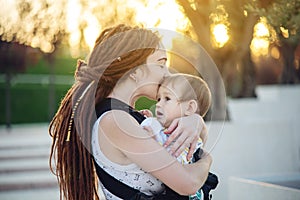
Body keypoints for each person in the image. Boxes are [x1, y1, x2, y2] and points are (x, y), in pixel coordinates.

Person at [49, 24, 212, 200]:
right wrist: (207, 160)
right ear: (135, 71)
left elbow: (187, 154)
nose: (167, 74)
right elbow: (188, 183)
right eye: (161, 64)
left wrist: (196, 121)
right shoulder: (116, 121)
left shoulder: (127, 117)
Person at [140, 73, 212, 199]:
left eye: (167, 99)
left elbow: (171, 160)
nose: (158, 104)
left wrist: (152, 137)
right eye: (158, 99)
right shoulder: (172, 131)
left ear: (189, 107)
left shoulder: (187, 139)